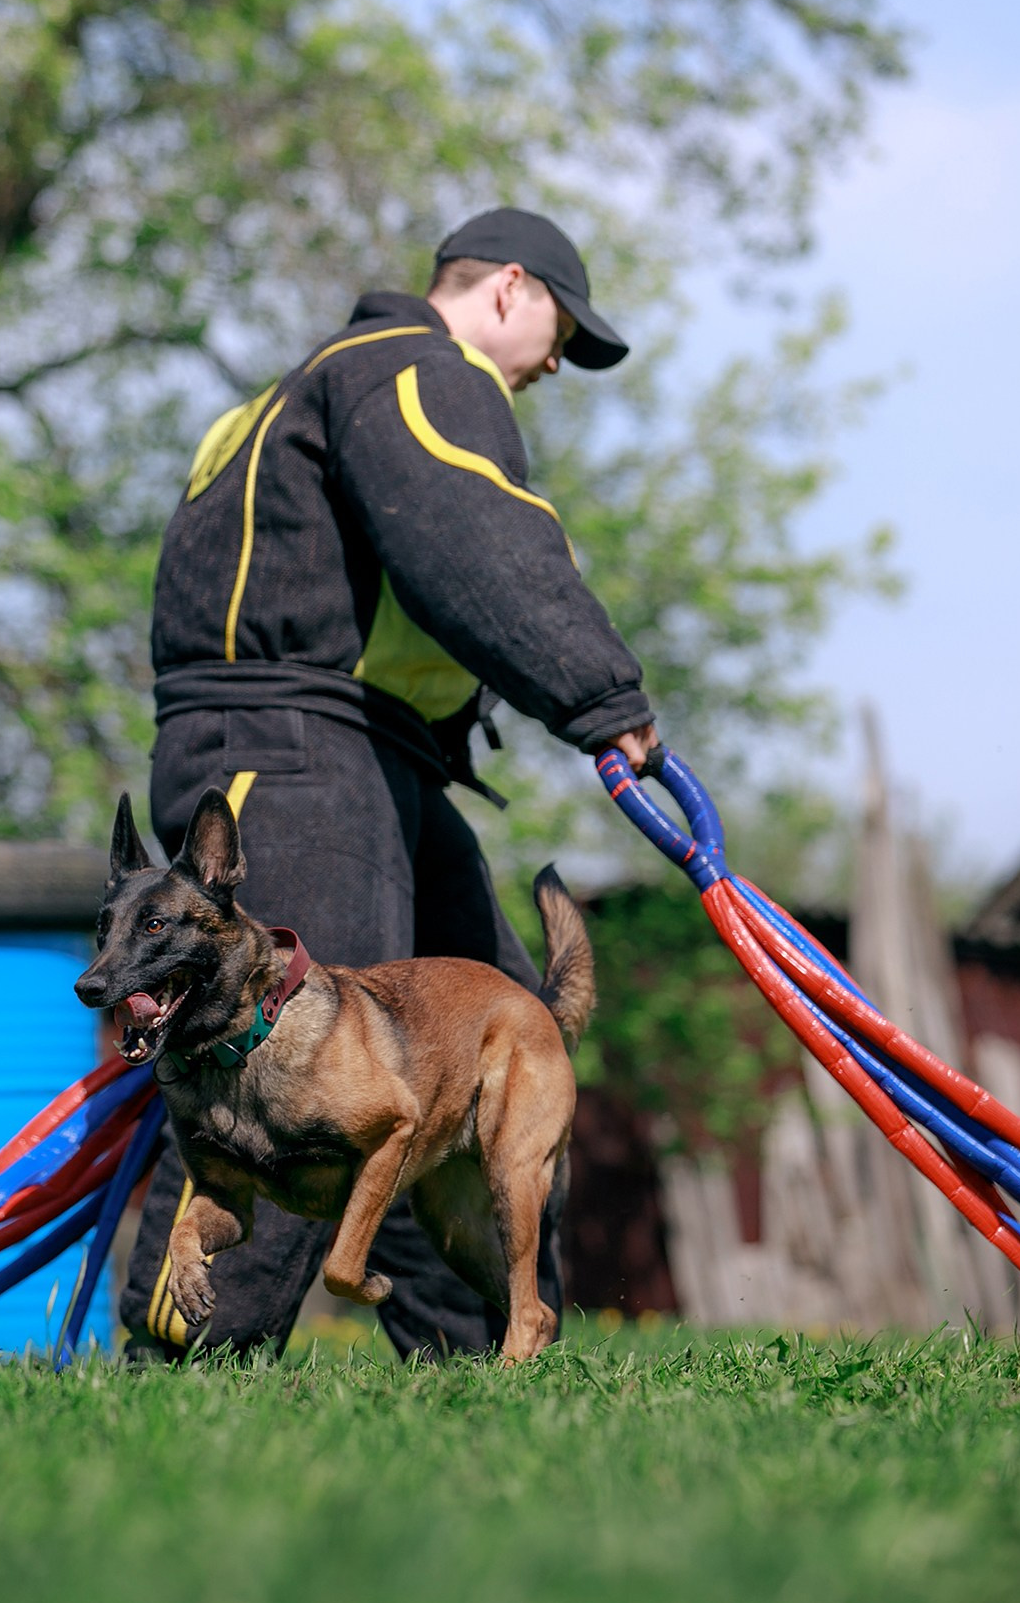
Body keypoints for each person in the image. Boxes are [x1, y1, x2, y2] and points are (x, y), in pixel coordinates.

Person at [118, 207, 660, 1360]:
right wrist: (602, 699)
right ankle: (177, 1383)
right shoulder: (413, 370)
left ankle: (482, 1379)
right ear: (507, 289)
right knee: (276, 1086)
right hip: (292, 749)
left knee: (498, 1064)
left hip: (369, 753)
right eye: (563, 330)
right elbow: (470, 539)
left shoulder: (291, 394)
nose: (557, 362)